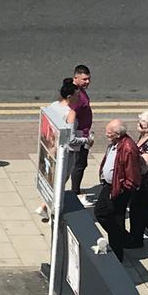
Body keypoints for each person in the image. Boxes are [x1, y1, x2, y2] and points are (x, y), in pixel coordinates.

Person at [34, 80, 88, 223]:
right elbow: (71, 139)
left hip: (51, 149)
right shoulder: (71, 113)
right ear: (69, 97)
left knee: (53, 180)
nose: (79, 98)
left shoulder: (53, 105)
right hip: (65, 153)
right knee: (61, 181)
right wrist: (86, 141)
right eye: (77, 96)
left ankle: (45, 206)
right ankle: (52, 210)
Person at [93, 119, 142, 262]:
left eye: (109, 133)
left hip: (118, 189)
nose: (106, 135)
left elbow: (132, 176)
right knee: (102, 213)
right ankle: (122, 239)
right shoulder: (116, 143)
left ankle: (118, 251)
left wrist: (122, 190)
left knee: (114, 219)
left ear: (118, 134)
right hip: (110, 185)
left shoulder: (128, 148)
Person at [68, 64, 93, 196]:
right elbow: (71, 115)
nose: (87, 82)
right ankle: (75, 192)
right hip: (79, 135)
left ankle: (75, 189)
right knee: (79, 164)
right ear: (75, 77)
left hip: (83, 132)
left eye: (89, 79)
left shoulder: (76, 90)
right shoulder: (76, 95)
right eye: (84, 79)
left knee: (79, 163)